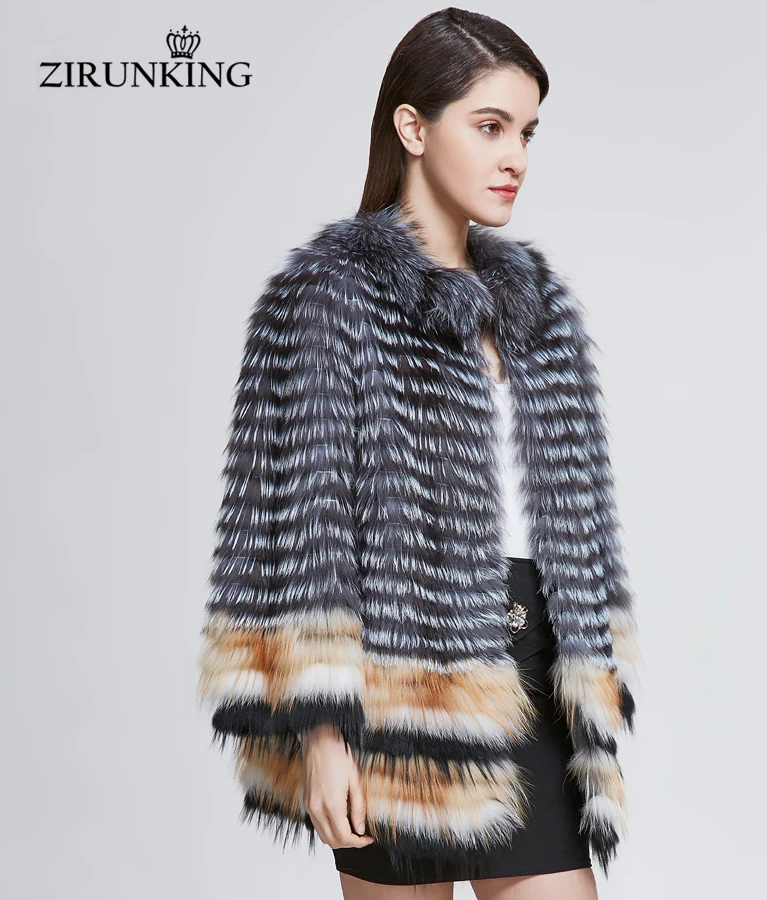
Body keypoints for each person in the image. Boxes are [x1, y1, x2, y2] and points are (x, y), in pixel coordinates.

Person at [197, 7, 640, 899]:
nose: (516, 157)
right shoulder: (328, 295)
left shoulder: (540, 309)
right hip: (392, 683)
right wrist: (325, 734)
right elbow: (298, 532)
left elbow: (575, 525)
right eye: (490, 126)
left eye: (526, 132)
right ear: (413, 126)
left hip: (535, 674)